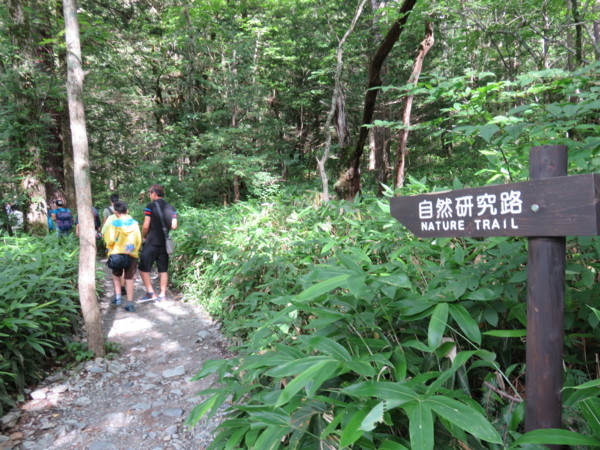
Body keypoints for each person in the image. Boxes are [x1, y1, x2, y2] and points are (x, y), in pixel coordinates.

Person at [138, 184, 177, 302]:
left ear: (154, 194)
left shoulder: (150, 206)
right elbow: (174, 226)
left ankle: (151, 293)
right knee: (163, 270)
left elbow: (146, 226)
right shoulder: (171, 208)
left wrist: (143, 236)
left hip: (151, 242)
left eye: (150, 194)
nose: (150, 196)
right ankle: (162, 295)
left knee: (143, 268)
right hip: (164, 243)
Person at [103, 201, 141, 312]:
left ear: (115, 212)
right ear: (127, 211)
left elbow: (110, 239)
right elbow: (138, 240)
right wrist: (135, 250)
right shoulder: (135, 224)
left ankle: (118, 297)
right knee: (129, 278)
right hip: (132, 254)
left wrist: (109, 247)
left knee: (116, 275)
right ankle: (130, 303)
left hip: (117, 253)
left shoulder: (114, 224)